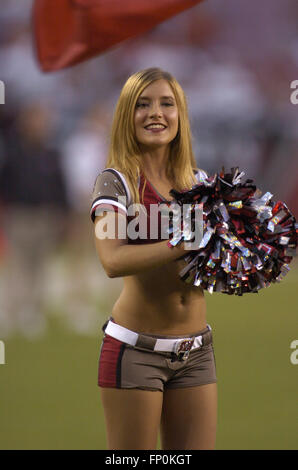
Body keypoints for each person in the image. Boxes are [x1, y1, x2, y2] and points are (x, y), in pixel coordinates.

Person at [90, 67, 217, 450]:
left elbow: (204, 264)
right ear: (127, 116)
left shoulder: (199, 181)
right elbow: (111, 260)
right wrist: (181, 244)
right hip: (136, 351)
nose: (155, 113)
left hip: (197, 352)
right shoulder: (116, 181)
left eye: (167, 103)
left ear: (181, 115)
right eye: (142, 105)